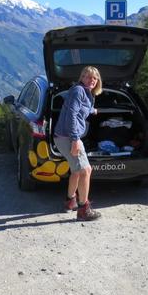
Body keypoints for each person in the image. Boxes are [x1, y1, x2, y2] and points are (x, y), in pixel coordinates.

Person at [54, 65, 102, 221]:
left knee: (76, 170)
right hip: (68, 137)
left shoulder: (87, 93)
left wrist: (92, 110)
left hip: (63, 136)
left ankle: (70, 201)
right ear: (82, 77)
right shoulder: (78, 91)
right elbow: (72, 115)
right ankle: (83, 209)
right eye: (88, 77)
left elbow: (81, 109)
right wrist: (75, 140)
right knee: (86, 170)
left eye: (95, 78)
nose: (92, 80)